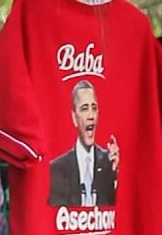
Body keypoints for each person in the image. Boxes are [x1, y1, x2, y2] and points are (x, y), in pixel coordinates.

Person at [48, 79, 119, 207]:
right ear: (74, 118)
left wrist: (115, 175)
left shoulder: (108, 163)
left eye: (94, 108)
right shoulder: (57, 168)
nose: (91, 115)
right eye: (84, 108)